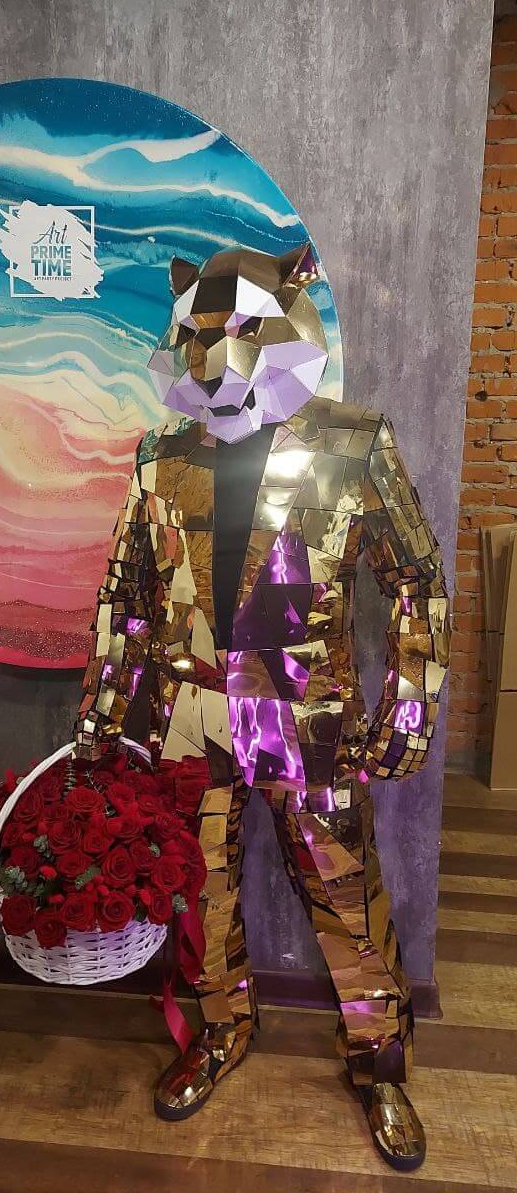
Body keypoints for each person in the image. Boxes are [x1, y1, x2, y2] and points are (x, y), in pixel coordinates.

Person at [73, 245, 450, 1172]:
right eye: (198, 332)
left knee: (343, 888)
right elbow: (126, 590)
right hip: (187, 711)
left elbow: (415, 579)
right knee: (198, 887)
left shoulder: (352, 442)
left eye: (240, 327)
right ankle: (219, 1029)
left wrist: (408, 707)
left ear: (286, 319)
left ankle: (379, 1061)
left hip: (307, 713)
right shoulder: (160, 454)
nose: (215, 354)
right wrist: (105, 710)